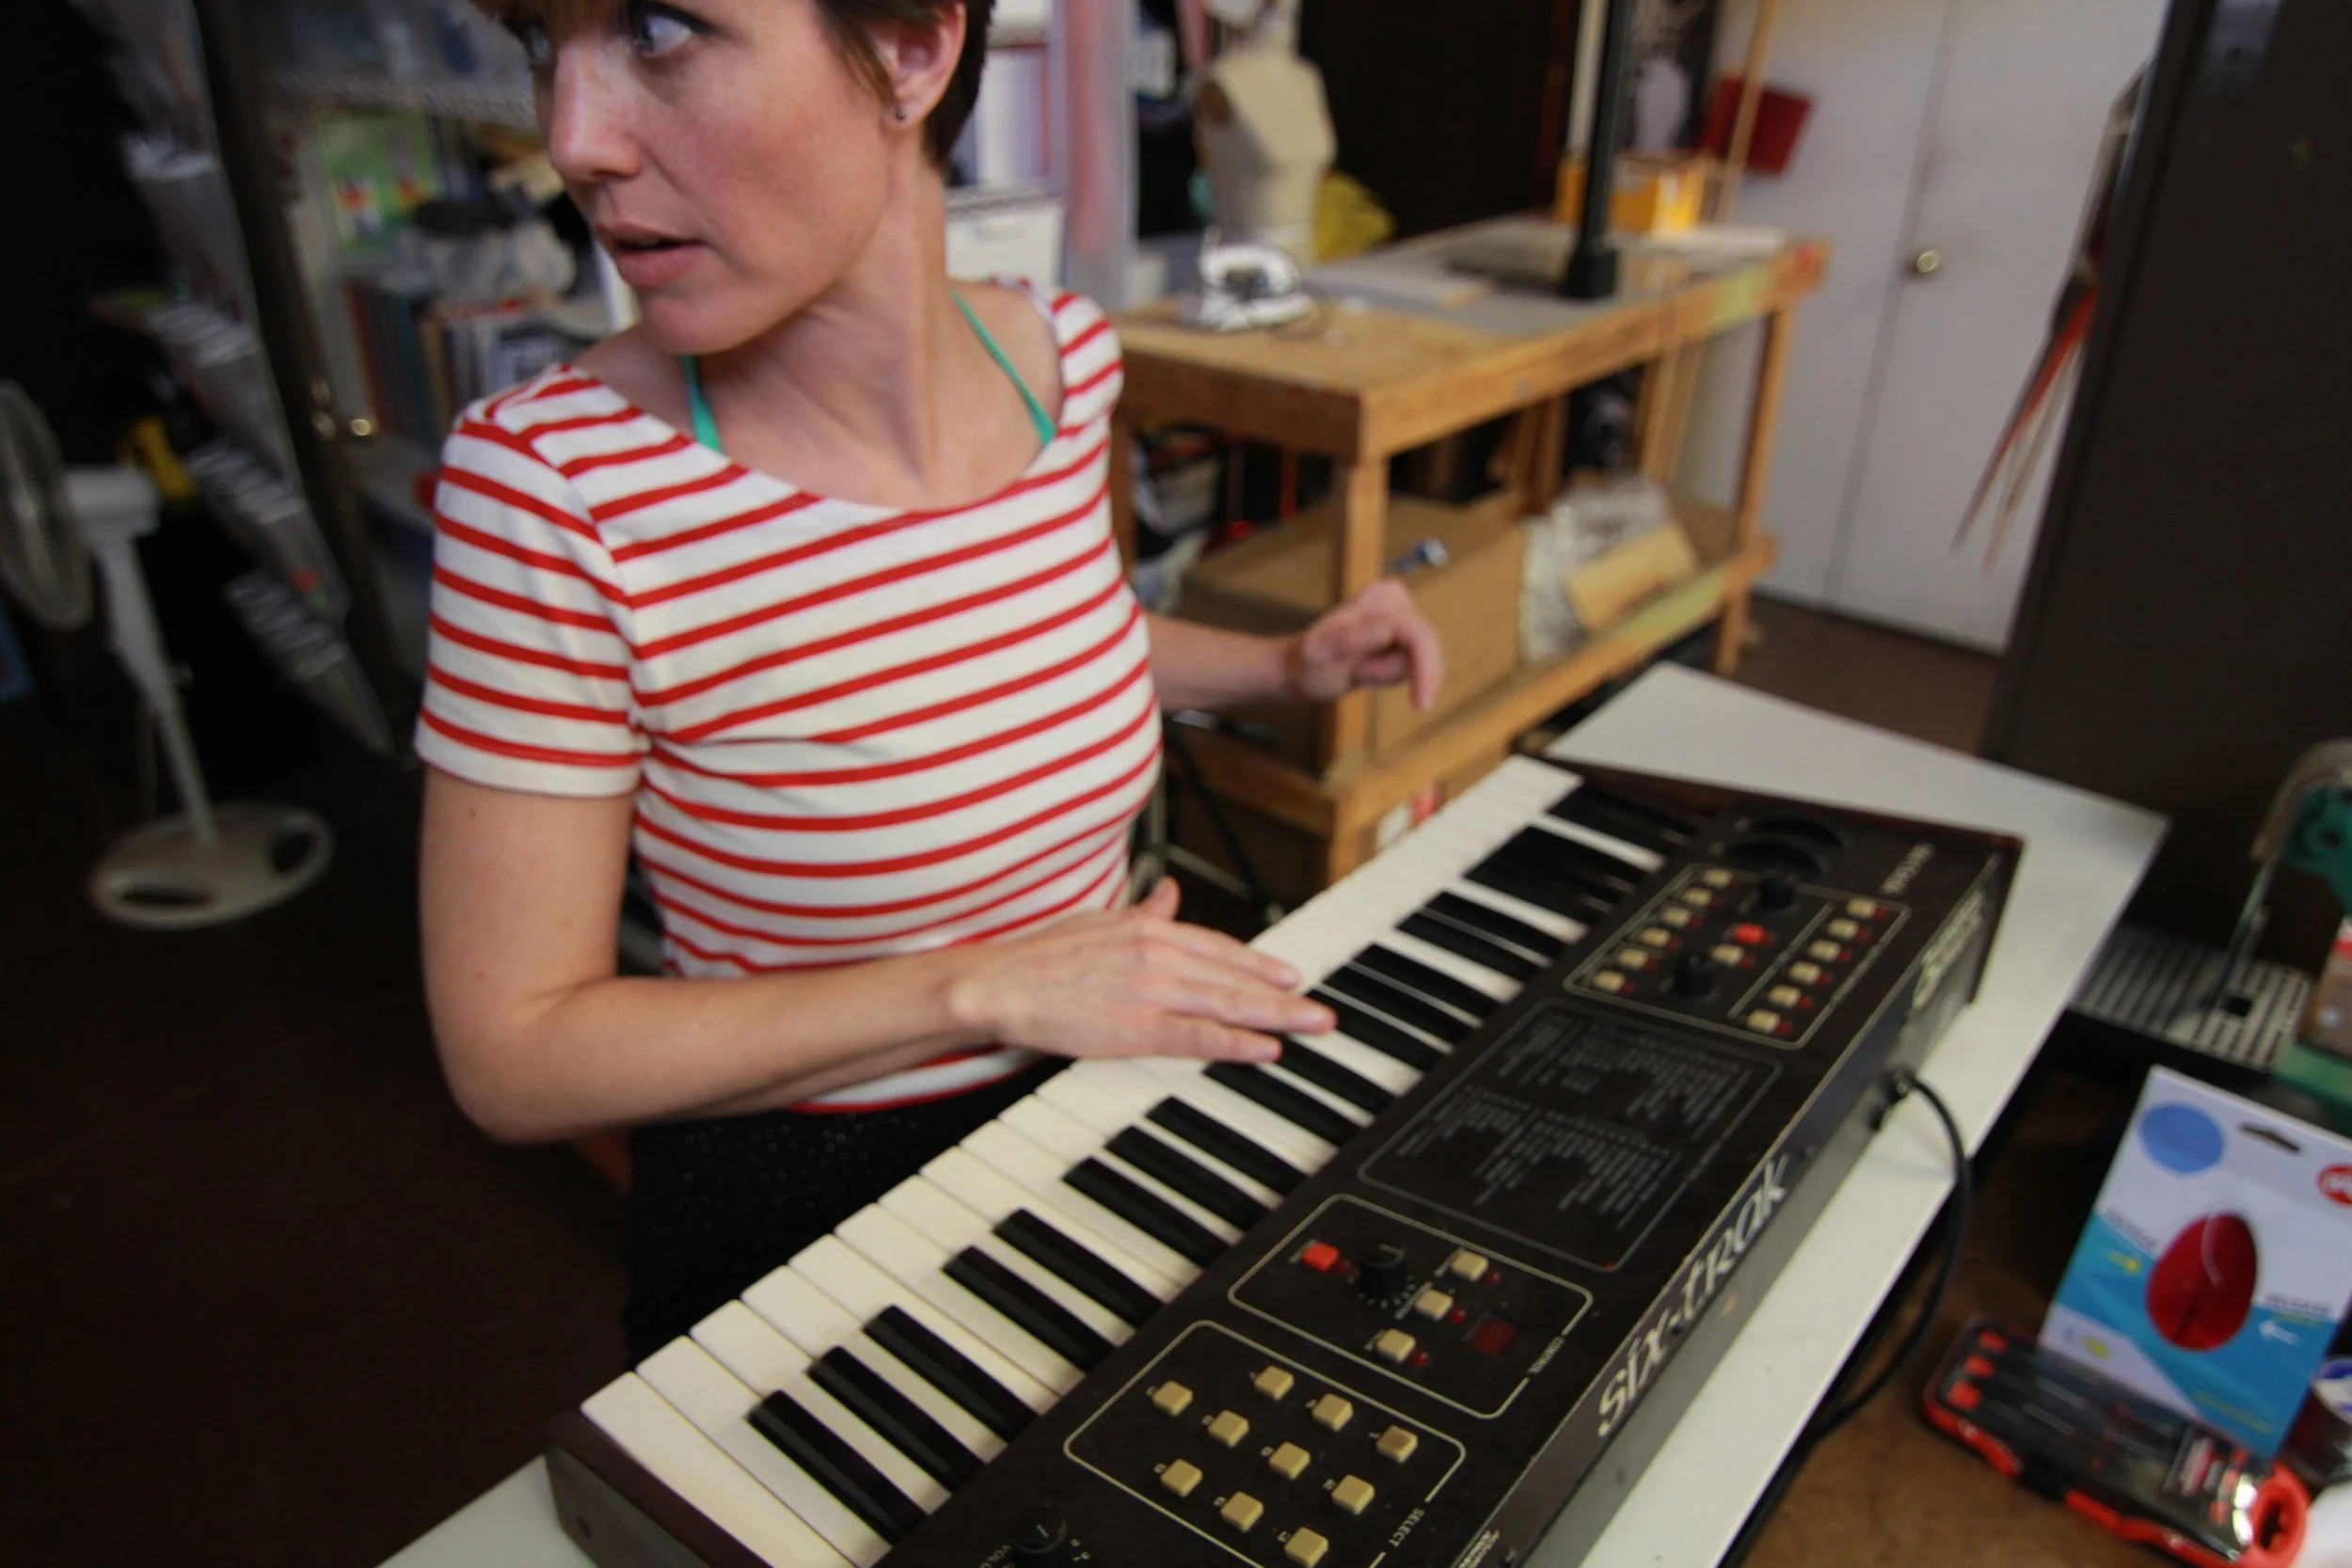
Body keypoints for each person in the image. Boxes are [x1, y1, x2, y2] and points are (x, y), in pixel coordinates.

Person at [416, 0, 1443, 1357]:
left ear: (911, 48)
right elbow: (514, 1054)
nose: (572, 138)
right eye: (545, 48)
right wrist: (983, 987)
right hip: (812, 1180)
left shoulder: (1064, 358)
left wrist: (1281, 666)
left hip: (1099, 1094)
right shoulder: (553, 484)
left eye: (658, 29)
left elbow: (1028, 638)